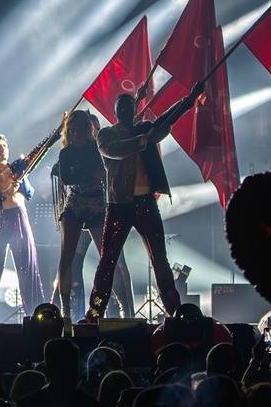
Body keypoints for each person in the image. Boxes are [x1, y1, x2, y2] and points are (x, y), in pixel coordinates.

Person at [82, 82, 204, 324]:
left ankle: (174, 311)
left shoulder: (146, 129)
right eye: (122, 108)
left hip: (146, 202)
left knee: (160, 259)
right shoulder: (106, 135)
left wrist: (189, 99)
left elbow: (166, 120)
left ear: (133, 110)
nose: (126, 111)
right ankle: (94, 313)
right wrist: (141, 140)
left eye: (129, 107)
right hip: (119, 205)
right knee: (108, 260)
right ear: (117, 113)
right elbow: (114, 151)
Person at [50, 109, 132, 320]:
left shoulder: (95, 148)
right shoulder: (66, 153)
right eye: (75, 128)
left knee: (108, 258)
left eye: (82, 127)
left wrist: (87, 173)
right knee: (67, 257)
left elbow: (102, 174)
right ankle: (66, 310)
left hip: (96, 203)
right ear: (71, 129)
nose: (78, 131)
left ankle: (117, 306)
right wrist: (88, 174)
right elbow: (68, 178)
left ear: (87, 129)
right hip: (75, 202)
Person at [0, 133, 53, 320]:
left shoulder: (17, 168)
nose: (2, 150)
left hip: (18, 219)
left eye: (5, 146)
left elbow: (37, 153)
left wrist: (54, 135)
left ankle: (36, 316)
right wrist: (4, 192)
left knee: (28, 268)